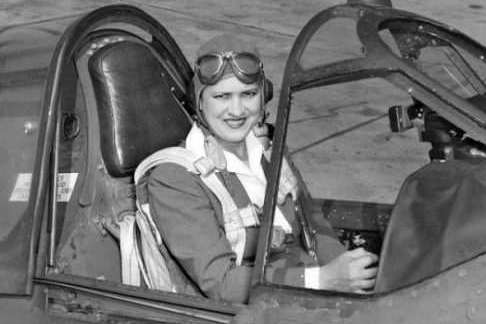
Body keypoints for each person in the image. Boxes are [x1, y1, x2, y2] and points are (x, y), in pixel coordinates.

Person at [138, 34, 378, 303]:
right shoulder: (176, 178)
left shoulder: (270, 153)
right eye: (222, 96)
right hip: (249, 320)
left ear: (263, 96)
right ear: (200, 102)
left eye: (248, 94)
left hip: (308, 295)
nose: (237, 110)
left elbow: (313, 225)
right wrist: (321, 280)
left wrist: (352, 274)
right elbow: (221, 283)